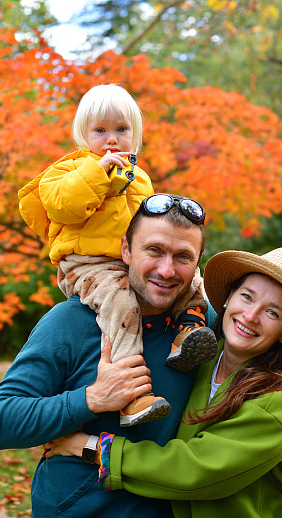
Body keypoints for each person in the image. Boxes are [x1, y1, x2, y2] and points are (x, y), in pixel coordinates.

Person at [0, 200, 282, 518]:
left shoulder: (199, 330)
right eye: (154, 251)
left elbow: (258, 372)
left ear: (197, 264)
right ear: (126, 250)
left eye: (182, 257)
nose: (166, 269)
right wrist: (90, 399)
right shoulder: (71, 323)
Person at [46, 246, 282, 518]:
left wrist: (91, 448)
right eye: (247, 296)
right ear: (229, 297)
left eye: (272, 312)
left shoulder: (278, 403)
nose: (251, 315)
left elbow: (193, 470)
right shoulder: (199, 353)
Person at [16, 84, 217, 427]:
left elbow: (149, 229)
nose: (111, 139)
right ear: (84, 134)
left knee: (194, 280)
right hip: (87, 263)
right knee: (123, 305)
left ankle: (188, 332)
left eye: (121, 130)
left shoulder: (139, 178)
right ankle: (132, 394)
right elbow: (64, 205)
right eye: (100, 130)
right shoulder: (67, 171)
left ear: (134, 136)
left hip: (129, 261)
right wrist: (98, 172)